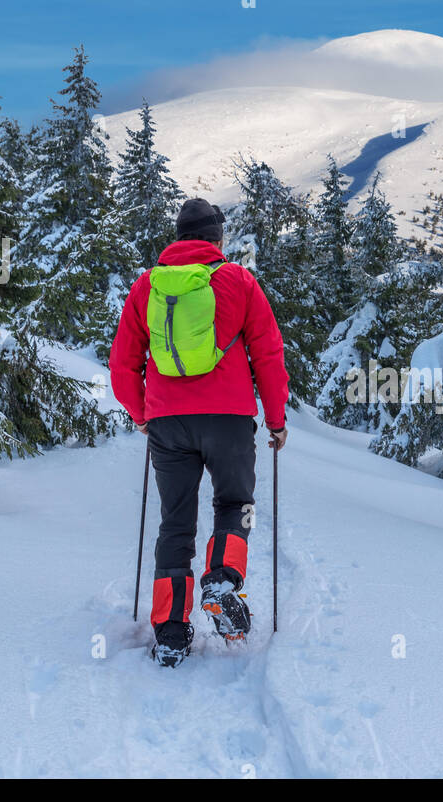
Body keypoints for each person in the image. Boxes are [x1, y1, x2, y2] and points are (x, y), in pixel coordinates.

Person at [110, 198, 289, 666]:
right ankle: (223, 578)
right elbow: (268, 354)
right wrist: (275, 420)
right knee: (236, 504)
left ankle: (170, 631)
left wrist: (141, 413)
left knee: (175, 523)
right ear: (217, 238)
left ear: (179, 236)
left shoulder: (148, 285)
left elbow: (122, 363)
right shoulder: (238, 281)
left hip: (168, 422)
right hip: (229, 419)